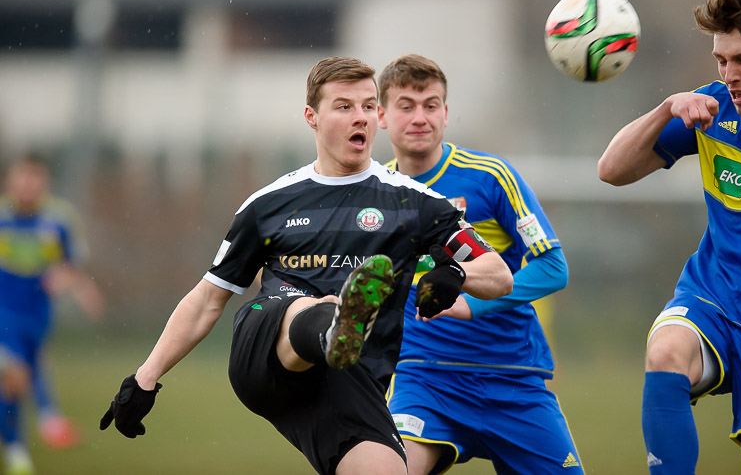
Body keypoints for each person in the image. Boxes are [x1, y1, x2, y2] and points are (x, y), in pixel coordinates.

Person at [98, 56, 513, 475]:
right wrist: (144, 378)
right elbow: (208, 299)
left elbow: (500, 276)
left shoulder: (416, 205)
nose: (361, 118)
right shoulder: (268, 205)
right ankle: (334, 324)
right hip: (266, 359)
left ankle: (339, 330)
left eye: (369, 106)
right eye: (345, 106)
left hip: (349, 382)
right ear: (312, 117)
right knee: (307, 306)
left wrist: (457, 274)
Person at [597, 0, 741, 474]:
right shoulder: (712, 109)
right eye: (721, 61)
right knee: (665, 352)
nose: (729, 74)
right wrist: (668, 107)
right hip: (717, 296)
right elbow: (612, 170)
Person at [378, 54, 583, 474]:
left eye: (431, 105)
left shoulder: (490, 177)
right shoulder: (374, 192)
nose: (420, 117)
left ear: (446, 113)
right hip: (425, 378)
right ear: (381, 115)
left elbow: (553, 266)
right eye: (406, 106)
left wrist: (474, 303)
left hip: (512, 378)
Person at [0, 153, 105, 475]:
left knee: (25, 373)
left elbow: (72, 266)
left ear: (45, 182)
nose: (29, 185)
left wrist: (77, 285)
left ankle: (23, 442)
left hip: (38, 315)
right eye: (23, 177)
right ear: (10, 181)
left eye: (36, 178)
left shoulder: (58, 219)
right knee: (14, 375)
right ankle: (33, 435)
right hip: (4, 313)